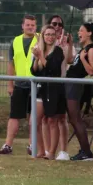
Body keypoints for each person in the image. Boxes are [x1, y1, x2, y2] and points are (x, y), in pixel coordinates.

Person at [0, 15, 39, 156]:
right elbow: (11, 64)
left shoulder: (41, 39)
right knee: (14, 115)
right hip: (20, 84)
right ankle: (8, 145)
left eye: (33, 25)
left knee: (34, 116)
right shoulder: (15, 41)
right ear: (22, 26)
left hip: (36, 84)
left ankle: (32, 144)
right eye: (28, 25)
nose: (30, 27)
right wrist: (10, 84)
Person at [30, 24, 67, 160]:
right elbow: (34, 71)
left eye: (52, 34)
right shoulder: (40, 50)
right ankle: (42, 150)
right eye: (47, 34)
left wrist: (41, 57)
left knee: (52, 120)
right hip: (42, 89)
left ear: (56, 36)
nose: (50, 37)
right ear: (43, 36)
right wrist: (36, 58)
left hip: (54, 89)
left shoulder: (58, 51)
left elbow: (53, 69)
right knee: (37, 121)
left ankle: (51, 152)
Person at [65, 22, 93, 161]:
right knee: (73, 119)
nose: (79, 33)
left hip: (76, 85)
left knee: (75, 118)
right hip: (70, 84)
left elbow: (91, 70)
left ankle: (86, 152)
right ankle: (84, 150)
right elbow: (69, 60)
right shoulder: (83, 49)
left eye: (81, 30)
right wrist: (69, 45)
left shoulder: (91, 50)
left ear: (89, 33)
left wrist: (83, 59)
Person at [44, 15, 73, 161]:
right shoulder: (45, 42)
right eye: (54, 23)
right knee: (48, 118)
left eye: (59, 24)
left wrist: (68, 45)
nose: (57, 26)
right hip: (47, 85)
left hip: (61, 82)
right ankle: (48, 149)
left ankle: (63, 150)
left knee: (62, 118)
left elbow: (69, 60)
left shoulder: (64, 43)